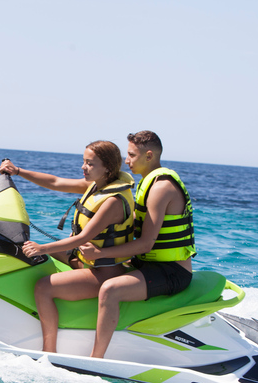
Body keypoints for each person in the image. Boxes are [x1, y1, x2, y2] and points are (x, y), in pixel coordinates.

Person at [0, 141, 135, 353]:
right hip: (86, 259)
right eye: (83, 161)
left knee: (44, 287)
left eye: (89, 163)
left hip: (103, 272)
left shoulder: (113, 201)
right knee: (27, 251)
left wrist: (42, 248)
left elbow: (83, 238)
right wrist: (17, 171)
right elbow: (55, 181)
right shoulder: (97, 186)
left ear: (107, 167)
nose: (83, 167)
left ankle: (49, 352)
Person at [79, 131, 196, 358]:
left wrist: (101, 252)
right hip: (147, 265)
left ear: (149, 155)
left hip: (172, 272)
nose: (127, 160)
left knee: (110, 290)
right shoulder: (145, 183)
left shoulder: (161, 187)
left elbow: (145, 244)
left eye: (131, 155)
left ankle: (96, 358)